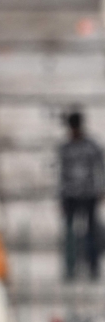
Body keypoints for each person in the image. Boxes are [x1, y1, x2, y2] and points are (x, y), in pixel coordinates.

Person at [59, 111, 105, 280]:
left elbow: (100, 168)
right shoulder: (65, 148)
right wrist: (62, 197)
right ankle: (70, 269)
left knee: (92, 233)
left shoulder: (91, 146)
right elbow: (62, 175)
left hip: (89, 194)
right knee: (70, 234)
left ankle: (93, 268)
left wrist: (100, 189)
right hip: (71, 195)